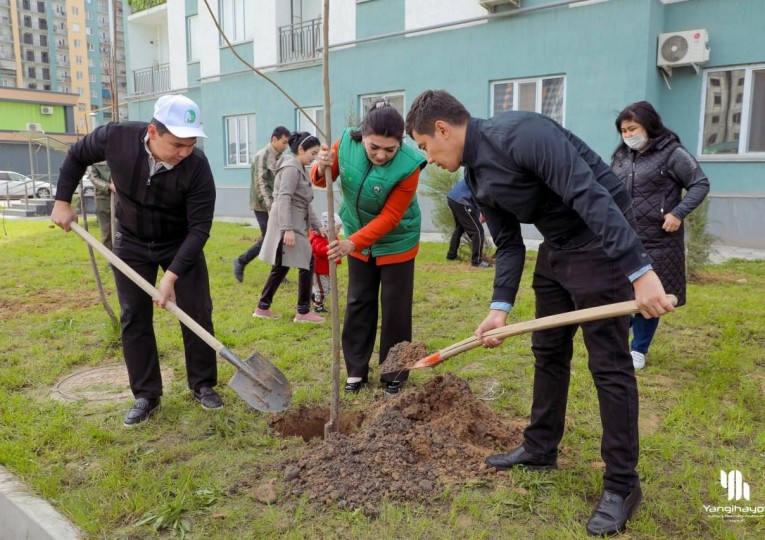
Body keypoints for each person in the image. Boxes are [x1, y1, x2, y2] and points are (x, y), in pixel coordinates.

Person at [405, 90, 675, 536]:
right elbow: (509, 244)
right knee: (547, 350)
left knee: (609, 364)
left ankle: (623, 484)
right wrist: (499, 309)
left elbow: (587, 194)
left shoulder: (522, 133)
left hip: (598, 239)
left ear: (442, 129)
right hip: (558, 245)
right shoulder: (476, 179)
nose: (428, 158)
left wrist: (639, 270)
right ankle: (541, 447)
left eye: (424, 146)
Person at [50, 94, 222, 426]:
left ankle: (202, 384)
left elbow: (200, 228)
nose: (185, 152)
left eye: (190, 144)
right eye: (177, 145)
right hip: (130, 240)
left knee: (197, 312)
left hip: (179, 242)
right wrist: (61, 201)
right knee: (134, 316)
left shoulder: (197, 166)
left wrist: (172, 275)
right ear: (153, 133)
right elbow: (76, 156)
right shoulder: (116, 137)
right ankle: (146, 394)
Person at [312, 101, 426, 395]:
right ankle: (356, 372)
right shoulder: (345, 143)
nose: (381, 155)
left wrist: (352, 243)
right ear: (362, 136)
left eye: (390, 149)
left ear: (400, 144)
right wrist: (321, 165)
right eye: (374, 146)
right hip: (357, 236)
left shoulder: (410, 166)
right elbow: (323, 178)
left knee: (395, 307)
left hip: (396, 240)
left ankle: (394, 373)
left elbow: (390, 217)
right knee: (358, 302)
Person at [612, 101, 709, 370]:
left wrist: (678, 213)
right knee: (621, 294)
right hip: (625, 238)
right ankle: (618, 344)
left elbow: (700, 183)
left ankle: (638, 350)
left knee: (652, 296)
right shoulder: (621, 156)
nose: (628, 135)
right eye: (623, 131)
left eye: (633, 128)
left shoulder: (672, 152)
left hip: (659, 240)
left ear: (649, 126)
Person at [253, 131, 325, 323]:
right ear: (301, 149)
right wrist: (288, 229)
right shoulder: (292, 168)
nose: (314, 158)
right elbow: (284, 198)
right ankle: (303, 311)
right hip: (289, 222)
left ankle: (262, 308)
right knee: (307, 262)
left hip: (295, 220)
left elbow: (305, 201)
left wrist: (317, 225)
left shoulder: (298, 166)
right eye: (312, 153)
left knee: (282, 266)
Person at [233, 126, 291, 283]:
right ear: (274, 139)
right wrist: (272, 208)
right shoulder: (262, 155)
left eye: (287, 144)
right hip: (262, 206)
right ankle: (241, 261)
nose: (285, 146)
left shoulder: (280, 157)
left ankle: (278, 274)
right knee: (269, 239)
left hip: (274, 205)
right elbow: (261, 184)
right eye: (283, 142)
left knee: (276, 238)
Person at [446, 177, 490, 268]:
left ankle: (451, 255)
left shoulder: (476, 172)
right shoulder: (485, 177)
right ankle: (476, 261)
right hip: (462, 200)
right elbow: (482, 197)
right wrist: (484, 213)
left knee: (459, 228)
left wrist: (481, 212)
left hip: (452, 198)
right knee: (477, 232)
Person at [310, 211, 342, 313]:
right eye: (338, 228)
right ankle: (318, 305)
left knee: (327, 288)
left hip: (327, 269)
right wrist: (331, 248)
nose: (339, 230)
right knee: (322, 289)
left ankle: (314, 296)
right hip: (319, 269)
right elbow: (319, 250)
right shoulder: (319, 238)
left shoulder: (332, 237)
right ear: (329, 229)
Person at [87, 161, 115, 251]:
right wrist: (109, 186)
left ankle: (122, 259)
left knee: (121, 231)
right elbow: (93, 178)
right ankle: (110, 259)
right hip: (103, 199)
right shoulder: (93, 159)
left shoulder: (120, 154)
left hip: (121, 197)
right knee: (107, 231)